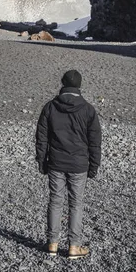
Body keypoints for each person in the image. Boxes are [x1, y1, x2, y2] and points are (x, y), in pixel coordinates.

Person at [35, 69, 102, 260]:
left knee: (55, 202)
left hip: (56, 162)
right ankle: (74, 246)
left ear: (63, 83)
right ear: (79, 86)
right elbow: (95, 141)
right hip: (79, 164)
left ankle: (52, 244)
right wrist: (94, 165)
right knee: (76, 204)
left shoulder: (50, 107)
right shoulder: (88, 109)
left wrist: (41, 160)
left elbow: (41, 137)